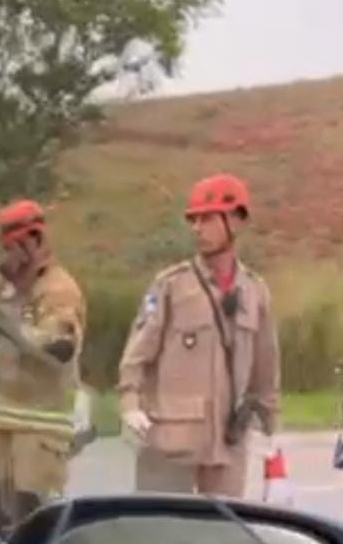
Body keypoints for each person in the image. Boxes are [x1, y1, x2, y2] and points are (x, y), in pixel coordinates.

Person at [117, 173, 280, 497]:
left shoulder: (255, 292)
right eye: (194, 220)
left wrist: (269, 426)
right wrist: (130, 403)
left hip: (228, 443)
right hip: (172, 440)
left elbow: (266, 365)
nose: (197, 228)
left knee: (220, 537)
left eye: (207, 219)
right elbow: (137, 354)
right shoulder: (172, 285)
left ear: (234, 220)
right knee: (163, 531)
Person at [0, 200, 85, 538]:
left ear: (34, 241)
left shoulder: (59, 290)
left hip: (42, 417)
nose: (6, 256)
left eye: (12, 248)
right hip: (2, 411)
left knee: (30, 503)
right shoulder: (7, 287)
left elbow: (60, 347)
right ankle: (8, 543)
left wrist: (13, 326)